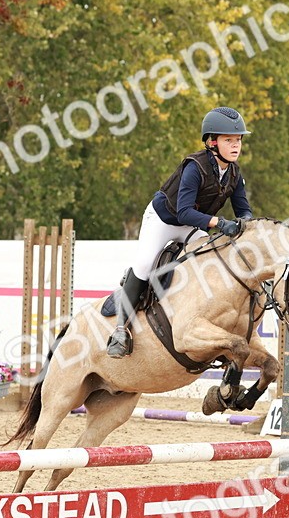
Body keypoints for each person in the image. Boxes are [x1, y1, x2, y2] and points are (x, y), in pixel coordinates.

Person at [106, 106, 254, 358]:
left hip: (194, 225)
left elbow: (244, 210)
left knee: (213, 258)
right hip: (164, 220)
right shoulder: (194, 168)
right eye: (229, 140)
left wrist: (246, 225)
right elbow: (184, 212)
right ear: (211, 142)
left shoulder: (234, 173)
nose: (236, 145)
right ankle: (120, 330)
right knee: (143, 264)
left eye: (238, 140)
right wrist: (219, 223)